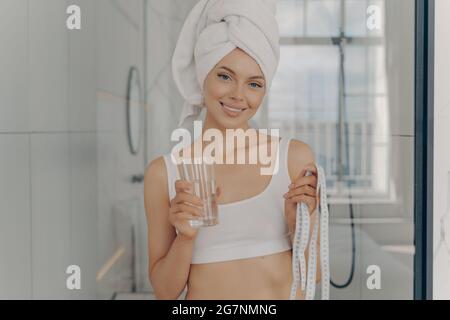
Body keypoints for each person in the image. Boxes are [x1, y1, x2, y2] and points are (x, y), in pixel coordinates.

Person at [143, 0, 321, 300]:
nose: (238, 96)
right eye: (225, 76)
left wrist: (295, 226)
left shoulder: (293, 159)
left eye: (254, 83)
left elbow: (313, 276)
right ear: (204, 76)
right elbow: (164, 291)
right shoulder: (165, 173)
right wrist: (186, 238)